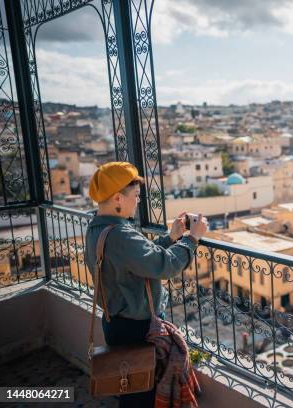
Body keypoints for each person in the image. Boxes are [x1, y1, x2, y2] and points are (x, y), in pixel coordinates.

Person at [84, 161, 208, 407]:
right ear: (118, 198)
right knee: (142, 395)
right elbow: (165, 266)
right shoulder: (121, 234)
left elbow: (140, 262)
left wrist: (171, 237)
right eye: (136, 195)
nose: (138, 201)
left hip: (115, 323)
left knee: (130, 387)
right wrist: (192, 239)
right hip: (137, 329)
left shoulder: (98, 228)